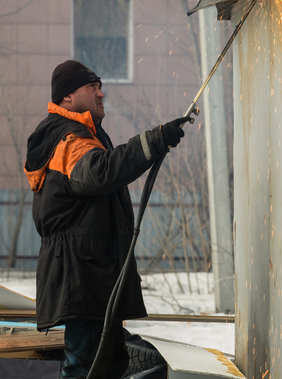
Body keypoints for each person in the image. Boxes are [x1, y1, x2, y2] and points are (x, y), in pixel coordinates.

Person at [24, 60, 190, 379]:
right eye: (92, 87)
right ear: (67, 96)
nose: (101, 93)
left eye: (100, 86)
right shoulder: (66, 139)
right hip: (80, 274)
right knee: (86, 367)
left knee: (108, 365)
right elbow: (102, 172)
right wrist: (154, 141)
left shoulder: (87, 134)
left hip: (91, 274)